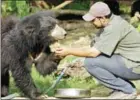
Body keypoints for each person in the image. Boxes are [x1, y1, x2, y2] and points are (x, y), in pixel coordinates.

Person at [55, 2, 140, 99]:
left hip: (136, 66)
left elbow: (93, 53)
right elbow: (92, 48)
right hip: (130, 61)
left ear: (102, 18)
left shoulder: (114, 27)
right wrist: (67, 51)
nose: (91, 22)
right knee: (95, 59)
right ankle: (122, 89)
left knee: (91, 62)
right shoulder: (109, 24)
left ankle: (127, 90)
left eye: (93, 20)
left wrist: (69, 51)